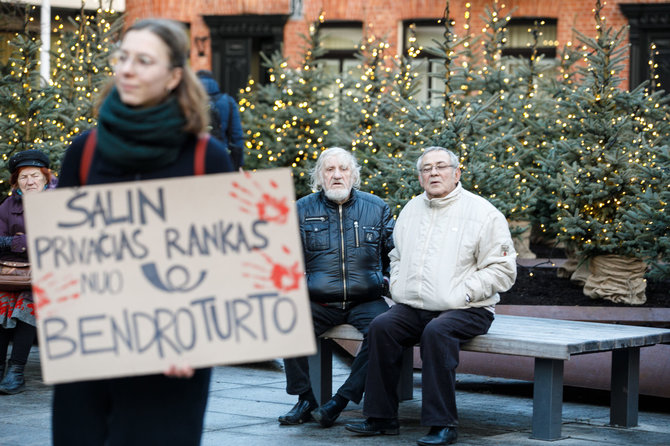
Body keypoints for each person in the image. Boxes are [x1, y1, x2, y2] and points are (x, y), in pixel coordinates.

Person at [51, 18, 234, 446]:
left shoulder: (209, 158)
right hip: (91, 354)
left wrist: (194, 339)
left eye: (144, 60)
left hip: (172, 360)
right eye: (123, 57)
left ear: (173, 76)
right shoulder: (84, 151)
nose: (127, 69)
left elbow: (226, 267)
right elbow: (64, 254)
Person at [345, 147, 517, 446]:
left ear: (456, 173)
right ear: (420, 176)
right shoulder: (412, 209)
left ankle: (442, 424)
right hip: (416, 304)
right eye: (427, 169)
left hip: (468, 307)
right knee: (382, 327)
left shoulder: (483, 213)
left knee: (437, 332)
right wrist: (397, 284)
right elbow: (396, 255)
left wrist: (464, 292)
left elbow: (503, 270)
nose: (434, 173)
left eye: (441, 167)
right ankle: (381, 418)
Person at [278, 147, 394, 428]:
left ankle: (340, 399)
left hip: (366, 299)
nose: (337, 175)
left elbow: (394, 254)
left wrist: (389, 281)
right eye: (329, 170)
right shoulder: (302, 208)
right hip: (318, 300)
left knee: (386, 331)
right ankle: (306, 398)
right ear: (319, 176)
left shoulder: (377, 207)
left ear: (354, 174)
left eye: (343, 169)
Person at [0, 150, 54, 395]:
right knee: (2, 302)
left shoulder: (59, 201)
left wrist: (20, 243)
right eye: (23, 177)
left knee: (27, 304)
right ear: (16, 181)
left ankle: (16, 371)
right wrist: (20, 243)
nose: (29, 181)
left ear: (45, 177)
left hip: (49, 274)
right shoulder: (8, 205)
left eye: (34, 175)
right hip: (12, 274)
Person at [196, 69, 245, 169]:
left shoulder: (190, 102)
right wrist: (239, 163)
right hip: (223, 156)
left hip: (196, 158)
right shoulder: (228, 101)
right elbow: (237, 135)